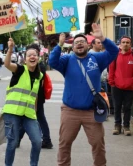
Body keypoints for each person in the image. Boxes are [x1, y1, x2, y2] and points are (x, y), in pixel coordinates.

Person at [48, 23, 118, 166]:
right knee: (64, 144)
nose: (79, 44)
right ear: (72, 47)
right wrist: (59, 44)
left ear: (88, 45)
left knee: (98, 145)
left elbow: (114, 51)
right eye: (76, 43)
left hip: (92, 112)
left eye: (82, 42)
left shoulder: (97, 58)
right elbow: (52, 61)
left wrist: (103, 38)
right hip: (70, 111)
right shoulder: (67, 60)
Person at [3, 38, 43, 166]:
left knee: (37, 141)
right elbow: (7, 64)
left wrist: (35, 112)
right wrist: (10, 50)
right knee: (13, 142)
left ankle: (33, 164)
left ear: (38, 58)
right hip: (13, 112)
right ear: (25, 59)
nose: (32, 57)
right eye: (29, 55)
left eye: (35, 55)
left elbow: (34, 95)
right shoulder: (20, 70)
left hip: (29, 114)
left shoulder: (39, 75)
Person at [17, 44, 53, 149]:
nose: (32, 56)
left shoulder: (40, 67)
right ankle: (46, 140)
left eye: (33, 53)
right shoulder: (40, 66)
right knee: (35, 118)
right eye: (29, 53)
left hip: (36, 97)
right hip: (33, 97)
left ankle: (46, 140)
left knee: (31, 119)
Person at [109, 36, 133, 136]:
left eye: (127, 42)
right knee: (117, 106)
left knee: (127, 107)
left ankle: (126, 126)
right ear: (120, 44)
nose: (125, 44)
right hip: (117, 86)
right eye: (123, 42)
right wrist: (112, 83)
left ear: (130, 44)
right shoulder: (115, 55)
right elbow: (111, 69)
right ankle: (117, 125)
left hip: (130, 87)